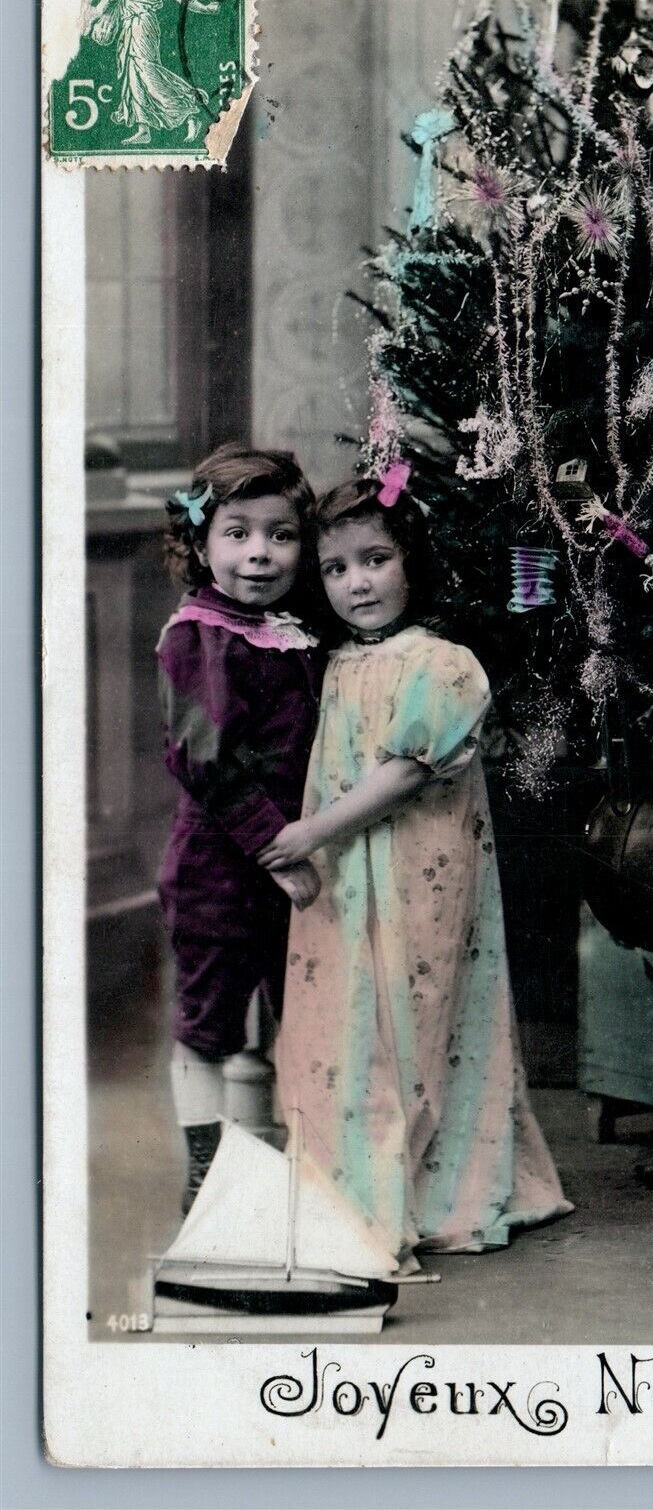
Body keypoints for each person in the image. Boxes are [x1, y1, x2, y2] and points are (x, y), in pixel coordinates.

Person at [262, 471, 573, 1263]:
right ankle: (354, 1184)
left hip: (417, 872)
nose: (356, 582)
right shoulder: (339, 663)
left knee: (418, 1012)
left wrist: (310, 833)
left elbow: (403, 773)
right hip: (345, 874)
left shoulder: (442, 663)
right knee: (349, 1020)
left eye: (375, 560)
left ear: (411, 562)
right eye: (336, 568)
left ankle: (435, 1187)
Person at [157, 443, 322, 1214]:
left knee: (302, 1010)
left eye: (280, 535)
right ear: (200, 543)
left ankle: (299, 1169)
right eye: (237, 532)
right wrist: (271, 844)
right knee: (209, 1024)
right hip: (220, 867)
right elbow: (204, 759)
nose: (260, 553)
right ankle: (204, 1177)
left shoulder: (289, 629)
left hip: (293, 863)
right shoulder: (198, 635)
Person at [83, 0, 218, 146]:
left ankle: (190, 111)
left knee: (146, 72)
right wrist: (204, 8)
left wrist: (94, 13)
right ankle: (143, 129)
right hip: (134, 25)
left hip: (141, 25)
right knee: (134, 75)